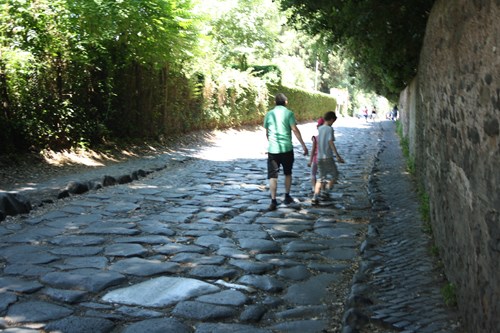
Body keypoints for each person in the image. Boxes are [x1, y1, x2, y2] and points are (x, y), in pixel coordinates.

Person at [264, 93, 308, 211]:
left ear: (275, 102)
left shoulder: (269, 114)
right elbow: (294, 129)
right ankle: (287, 196)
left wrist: (271, 143)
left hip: (273, 150)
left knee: (273, 176)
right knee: (288, 173)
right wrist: (303, 145)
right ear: (286, 102)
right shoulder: (289, 113)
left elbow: (267, 132)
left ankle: (273, 200)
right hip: (287, 149)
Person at [311, 111, 344, 205]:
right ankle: (326, 190)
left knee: (321, 177)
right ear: (331, 119)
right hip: (328, 157)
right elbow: (330, 142)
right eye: (333, 121)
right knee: (335, 175)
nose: (333, 123)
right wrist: (337, 155)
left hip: (319, 157)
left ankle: (315, 197)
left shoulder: (320, 128)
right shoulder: (330, 129)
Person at [307, 117, 325, 193]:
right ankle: (323, 189)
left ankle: (314, 188)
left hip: (315, 159)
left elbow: (313, 150)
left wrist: (310, 161)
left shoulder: (315, 138)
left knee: (313, 174)